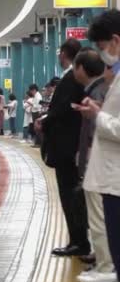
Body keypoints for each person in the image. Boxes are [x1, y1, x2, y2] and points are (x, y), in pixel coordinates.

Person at [39, 38, 91, 257]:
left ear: (64, 54)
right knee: (75, 195)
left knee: (69, 194)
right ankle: (79, 241)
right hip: (72, 147)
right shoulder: (73, 79)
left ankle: (78, 242)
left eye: (59, 53)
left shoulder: (70, 79)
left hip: (67, 149)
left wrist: (44, 121)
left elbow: (62, 111)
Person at [70, 47, 111, 282]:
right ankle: (102, 260)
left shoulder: (102, 90)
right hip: (99, 160)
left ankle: (105, 265)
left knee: (98, 214)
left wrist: (94, 114)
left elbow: (106, 127)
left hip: (101, 162)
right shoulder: (101, 89)